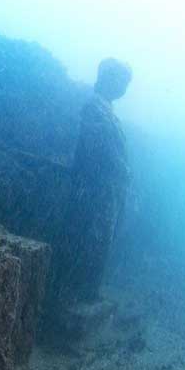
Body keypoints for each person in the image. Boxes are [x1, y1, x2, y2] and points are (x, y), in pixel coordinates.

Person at [49, 59, 132, 321]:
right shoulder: (95, 109)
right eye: (122, 80)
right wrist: (121, 170)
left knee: (99, 241)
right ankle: (76, 295)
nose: (124, 87)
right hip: (96, 190)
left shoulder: (104, 109)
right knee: (92, 241)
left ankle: (86, 292)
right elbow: (102, 149)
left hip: (104, 188)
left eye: (126, 82)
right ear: (107, 78)